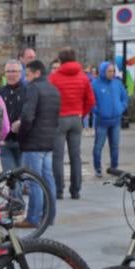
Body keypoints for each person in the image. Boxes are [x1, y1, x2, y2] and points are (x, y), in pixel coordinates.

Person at [13, 59, 60, 229]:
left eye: (29, 74)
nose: (26, 77)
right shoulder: (53, 89)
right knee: (48, 180)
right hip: (48, 141)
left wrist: (21, 135)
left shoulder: (34, 88)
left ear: (37, 73)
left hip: (34, 142)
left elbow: (27, 117)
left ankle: (33, 218)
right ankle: (50, 216)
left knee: (35, 182)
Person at [48, 49, 94, 200]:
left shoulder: (54, 77)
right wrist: (82, 113)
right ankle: (75, 190)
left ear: (60, 61)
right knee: (76, 156)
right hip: (76, 118)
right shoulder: (83, 77)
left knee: (58, 157)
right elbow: (90, 100)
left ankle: (59, 190)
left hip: (59, 118)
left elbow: (49, 99)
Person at [91, 60, 129, 177]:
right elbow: (91, 102)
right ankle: (97, 168)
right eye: (109, 71)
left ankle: (114, 167)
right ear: (103, 71)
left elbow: (124, 98)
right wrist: (98, 112)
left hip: (116, 121)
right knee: (98, 146)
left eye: (113, 71)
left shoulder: (117, 83)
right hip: (102, 121)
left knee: (115, 146)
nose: (112, 73)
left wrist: (121, 108)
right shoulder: (95, 84)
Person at [0, 60, 26, 173]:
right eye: (8, 71)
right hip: (5, 141)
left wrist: (21, 121)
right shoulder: (0, 92)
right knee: (10, 176)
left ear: (20, 72)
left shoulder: (28, 91)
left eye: (14, 71)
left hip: (22, 141)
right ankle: (15, 191)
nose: (11, 74)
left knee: (22, 175)